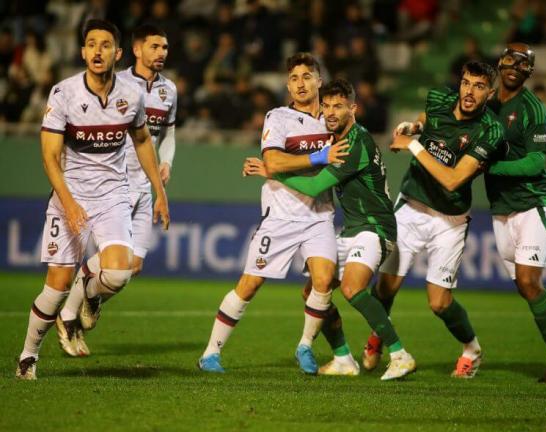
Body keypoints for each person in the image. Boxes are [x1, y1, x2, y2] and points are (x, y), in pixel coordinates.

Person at [15, 19, 169, 380]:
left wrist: (159, 192)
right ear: (83, 52)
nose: (96, 51)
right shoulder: (64, 94)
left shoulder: (131, 96)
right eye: (90, 44)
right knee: (55, 288)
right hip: (70, 196)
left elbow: (143, 141)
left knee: (118, 272)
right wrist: (68, 205)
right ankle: (28, 356)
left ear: (117, 53)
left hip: (113, 195)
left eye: (104, 45)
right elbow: (50, 157)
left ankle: (91, 291)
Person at [247, 79, 417, 381]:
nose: (330, 112)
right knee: (314, 290)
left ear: (353, 108)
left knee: (352, 288)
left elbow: (314, 187)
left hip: (375, 226)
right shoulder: (337, 139)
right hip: (354, 228)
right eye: (325, 106)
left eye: (338, 106)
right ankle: (342, 358)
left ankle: (399, 354)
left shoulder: (355, 143)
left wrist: (273, 172)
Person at [198, 53, 348, 375]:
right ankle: (211, 353)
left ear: (319, 81)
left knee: (324, 282)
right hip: (280, 214)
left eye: (307, 76)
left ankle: (305, 345)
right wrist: (320, 156)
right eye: (294, 78)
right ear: (287, 84)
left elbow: (353, 138)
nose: (300, 84)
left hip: (319, 215)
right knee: (250, 284)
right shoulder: (278, 117)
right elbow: (276, 162)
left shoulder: (332, 118)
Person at [361, 61, 504, 378]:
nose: (469, 92)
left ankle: (472, 349)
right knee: (385, 287)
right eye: (466, 83)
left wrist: (412, 145)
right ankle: (377, 339)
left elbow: (453, 180)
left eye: (479, 86)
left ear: (490, 93)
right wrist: (413, 128)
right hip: (412, 206)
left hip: (449, 220)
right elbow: (425, 121)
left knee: (439, 302)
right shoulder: (439, 99)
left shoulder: (490, 130)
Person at [54, 23, 177, 357]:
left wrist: (165, 165)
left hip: (146, 187)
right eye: (155, 46)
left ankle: (87, 296)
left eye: (165, 47)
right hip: (117, 186)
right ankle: (70, 313)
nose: (161, 53)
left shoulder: (170, 91)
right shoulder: (118, 84)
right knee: (116, 265)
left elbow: (167, 133)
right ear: (135, 50)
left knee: (131, 267)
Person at [483, 43, 546, 382]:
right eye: (510, 60)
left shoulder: (534, 110)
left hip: (533, 203)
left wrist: (491, 168)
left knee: (527, 281)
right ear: (499, 63)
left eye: (523, 64)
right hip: (501, 209)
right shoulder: (486, 103)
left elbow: (536, 161)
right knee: (528, 288)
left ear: (529, 72)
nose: (514, 67)